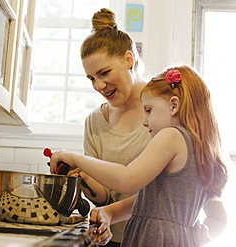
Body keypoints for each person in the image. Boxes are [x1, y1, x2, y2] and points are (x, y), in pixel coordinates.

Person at [50, 65, 229, 246]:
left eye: (149, 110)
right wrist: (111, 212)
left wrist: (74, 158)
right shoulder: (199, 148)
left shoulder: (171, 135)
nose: (145, 121)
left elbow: (127, 179)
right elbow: (156, 201)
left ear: (174, 105)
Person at [68, 8, 152, 246]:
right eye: (91, 78)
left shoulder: (163, 108)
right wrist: (82, 175)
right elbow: (104, 196)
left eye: (104, 73)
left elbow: (164, 191)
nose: (99, 85)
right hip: (113, 241)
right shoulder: (94, 122)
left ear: (129, 59)